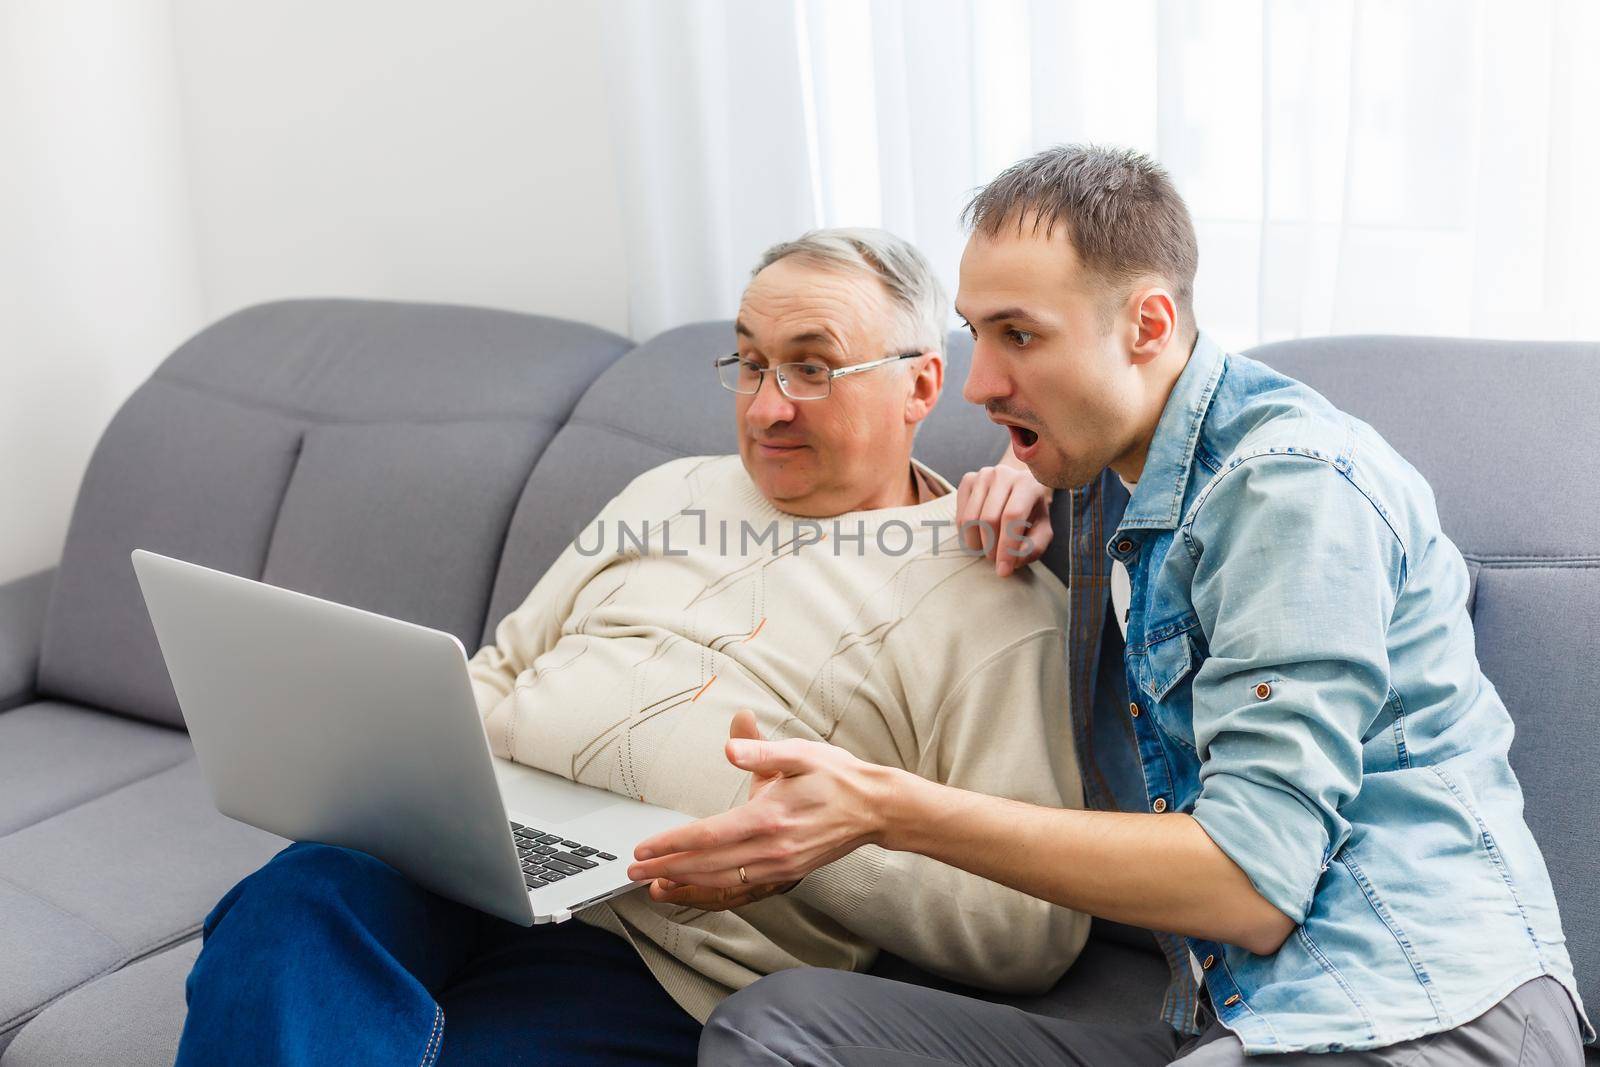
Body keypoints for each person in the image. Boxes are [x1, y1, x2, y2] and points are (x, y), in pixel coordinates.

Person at [630, 147, 1593, 1065]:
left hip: (1412, 1019)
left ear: (1148, 325)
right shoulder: (1103, 460)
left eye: (1020, 335)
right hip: (1224, 1024)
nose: (979, 384)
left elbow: (1249, 882)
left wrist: (880, 808)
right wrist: (1024, 459)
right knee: (777, 1030)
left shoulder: (1292, 493)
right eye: (977, 334)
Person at [172, 228, 1091, 1066]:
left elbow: (1029, 929)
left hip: (662, 957)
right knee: (293, 904)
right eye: (753, 363)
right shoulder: (668, 490)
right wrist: (407, 769)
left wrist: (822, 843)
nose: (769, 408)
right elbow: (500, 669)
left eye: (812, 370)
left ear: (921, 385)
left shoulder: (992, 597)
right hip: (479, 861)